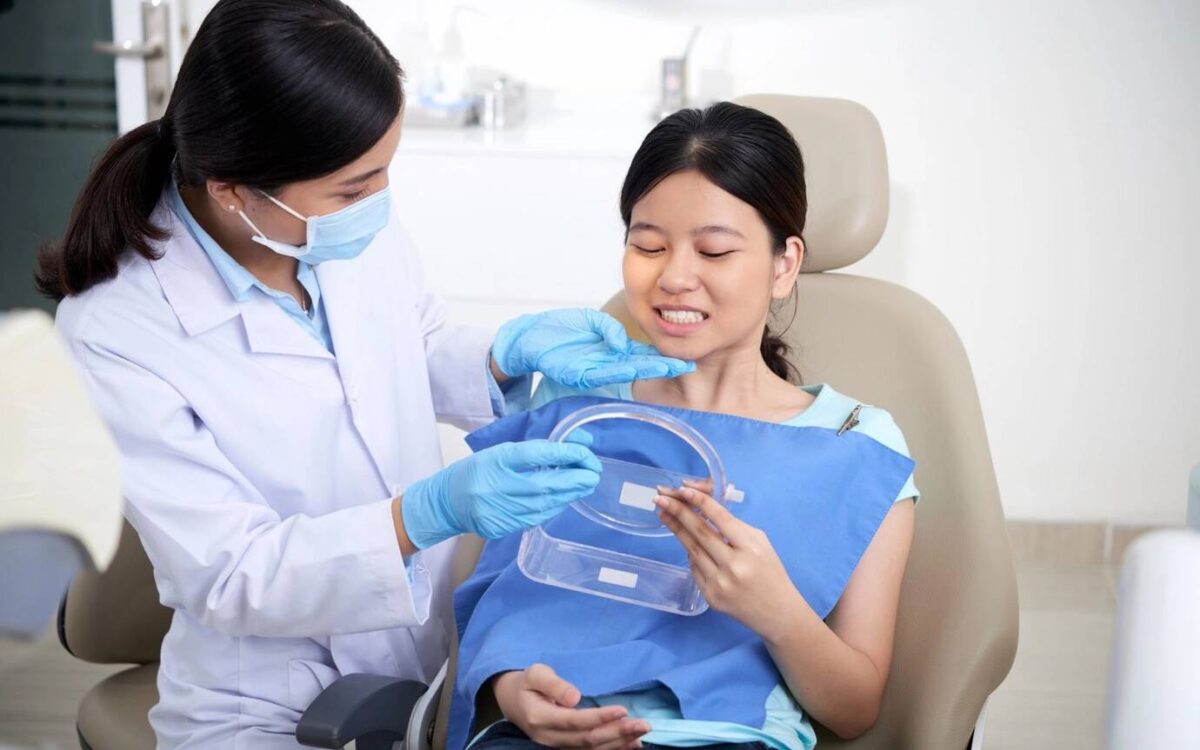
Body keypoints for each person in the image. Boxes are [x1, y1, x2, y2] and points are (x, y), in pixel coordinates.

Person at [36, 1, 690, 746]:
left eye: (383, 173)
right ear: (231, 189)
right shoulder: (117, 332)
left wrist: (502, 354)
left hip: (428, 648)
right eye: (352, 190)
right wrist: (420, 516)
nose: (376, 204)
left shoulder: (329, 222)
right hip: (266, 703)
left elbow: (410, 340)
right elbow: (230, 574)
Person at [451, 102, 920, 750]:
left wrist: (778, 612)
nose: (673, 277)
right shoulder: (573, 403)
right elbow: (500, 592)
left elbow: (855, 709)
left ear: (784, 264)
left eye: (714, 250)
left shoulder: (856, 448)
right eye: (648, 245)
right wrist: (509, 690)